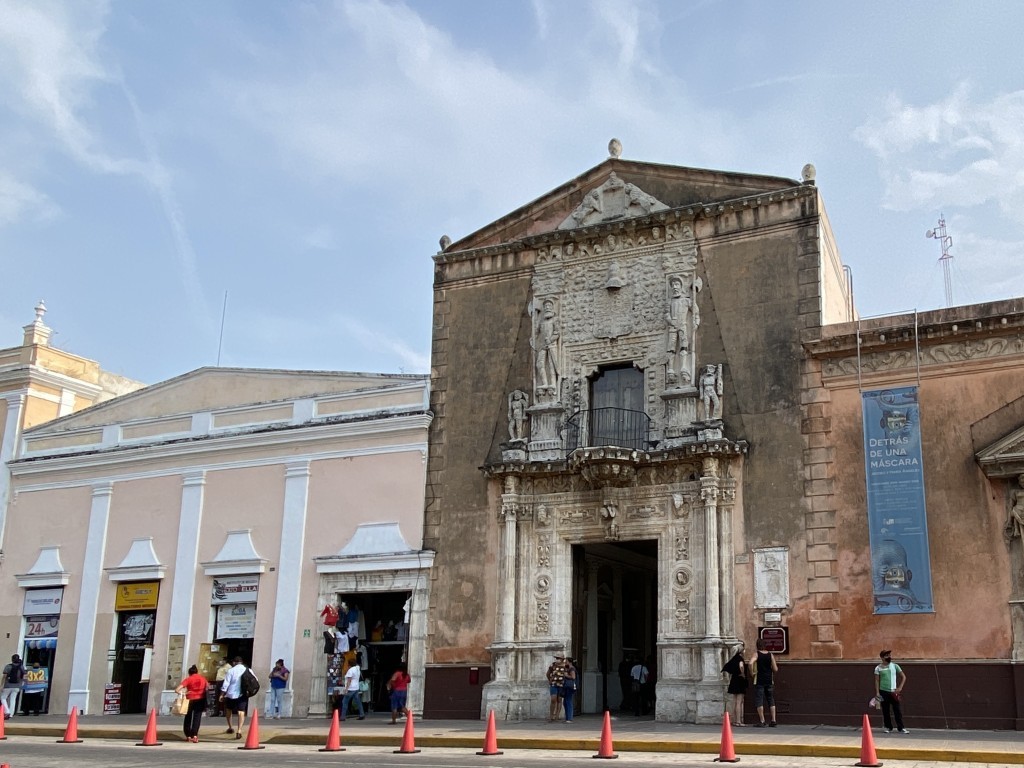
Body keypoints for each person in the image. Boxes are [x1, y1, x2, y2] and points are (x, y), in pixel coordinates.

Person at [874, 649, 909, 734]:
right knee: (885, 710)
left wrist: (900, 687)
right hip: (883, 692)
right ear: (882, 657)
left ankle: (901, 728)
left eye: (889, 655)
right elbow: (877, 681)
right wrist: (877, 693)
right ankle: (888, 727)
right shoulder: (878, 668)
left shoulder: (895, 666)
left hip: (894, 692)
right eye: (886, 655)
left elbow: (903, 677)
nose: (889, 656)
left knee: (897, 710)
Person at [750, 639, 778, 727]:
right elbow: (776, 669)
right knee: (770, 699)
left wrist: (752, 673)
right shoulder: (770, 655)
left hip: (760, 680)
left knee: (759, 700)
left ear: (757, 645)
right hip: (769, 679)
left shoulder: (757, 654)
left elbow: (750, 663)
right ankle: (773, 720)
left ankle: (762, 721)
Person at [176, 664, 208, 742]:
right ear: (197, 672)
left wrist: (184, 693)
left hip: (189, 699)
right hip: (200, 699)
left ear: (189, 673)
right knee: (197, 717)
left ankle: (188, 735)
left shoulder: (188, 679)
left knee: (188, 717)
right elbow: (207, 688)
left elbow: (176, 690)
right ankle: (195, 735)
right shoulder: (203, 679)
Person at [219, 656, 249, 739]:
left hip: (231, 694)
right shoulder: (247, 669)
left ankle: (230, 727)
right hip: (242, 693)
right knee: (241, 712)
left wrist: (222, 694)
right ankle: (239, 730)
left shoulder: (231, 670)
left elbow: (226, 683)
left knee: (229, 710)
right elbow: (255, 680)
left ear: (234, 662)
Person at [721, 643, 747, 726]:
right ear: (741, 650)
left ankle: (734, 720)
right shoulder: (740, 659)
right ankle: (739, 721)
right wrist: (743, 673)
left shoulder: (733, 658)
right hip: (740, 680)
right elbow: (741, 666)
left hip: (734, 680)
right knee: (739, 702)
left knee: (734, 701)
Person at [340, 652, 365, 721]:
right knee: (358, 702)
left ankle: (342, 717)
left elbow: (349, 680)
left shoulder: (350, 670)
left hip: (351, 689)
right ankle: (362, 714)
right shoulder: (357, 669)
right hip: (356, 688)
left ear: (349, 664)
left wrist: (346, 689)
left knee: (344, 702)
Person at [1, 653, 24, 719]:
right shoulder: (21, 667)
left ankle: (7, 711)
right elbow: (24, 676)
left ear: (12, 659)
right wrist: (22, 684)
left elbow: (4, 676)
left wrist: (1, 685)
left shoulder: (8, 666)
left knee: (3, 698)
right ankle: (11, 714)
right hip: (17, 685)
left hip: (8, 685)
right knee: (13, 699)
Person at [546, 654, 566, 721]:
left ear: (562, 659)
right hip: (554, 684)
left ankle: (557, 715)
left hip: (561, 684)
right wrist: (550, 680)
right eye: (557, 658)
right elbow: (548, 673)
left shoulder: (565, 666)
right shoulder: (553, 665)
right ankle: (551, 715)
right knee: (553, 699)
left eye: (559, 658)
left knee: (559, 699)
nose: (557, 659)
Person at [561, 658, 577, 723]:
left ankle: (569, 718)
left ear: (570, 662)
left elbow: (573, 677)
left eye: (566, 661)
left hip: (569, 686)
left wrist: (566, 675)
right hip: (567, 687)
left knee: (568, 701)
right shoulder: (568, 669)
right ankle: (567, 718)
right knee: (565, 702)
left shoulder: (572, 669)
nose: (565, 662)